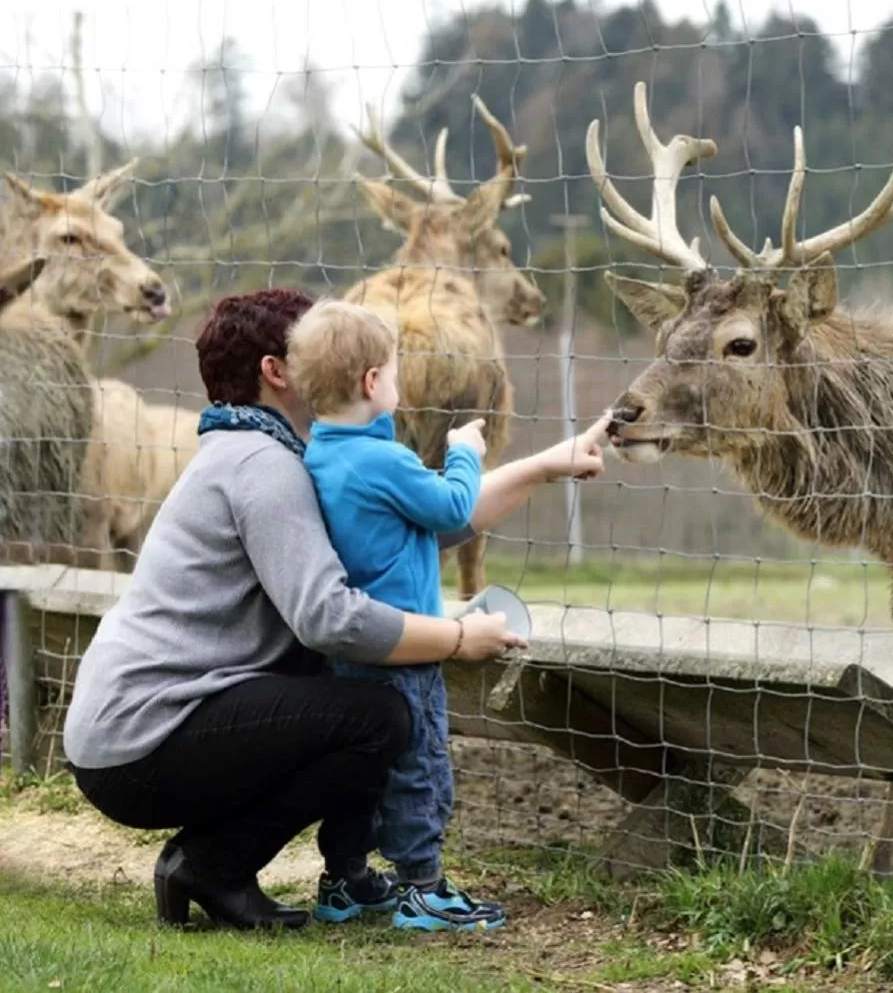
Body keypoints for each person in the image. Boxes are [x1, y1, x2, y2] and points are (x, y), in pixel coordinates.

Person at [59, 287, 603, 932]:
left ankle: (230, 863)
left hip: (143, 733)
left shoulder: (284, 454)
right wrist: (457, 639)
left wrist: (544, 466)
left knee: (356, 705)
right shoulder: (265, 467)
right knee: (378, 718)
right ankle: (214, 863)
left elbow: (419, 526)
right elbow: (332, 619)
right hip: (142, 744)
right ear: (277, 371)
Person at [284, 299, 610, 932]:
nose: (399, 382)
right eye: (396, 370)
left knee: (359, 771)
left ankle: (344, 880)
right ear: (371, 383)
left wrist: (541, 465)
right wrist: (464, 449)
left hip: (349, 657)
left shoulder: (320, 456)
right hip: (407, 651)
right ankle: (423, 888)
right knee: (420, 762)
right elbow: (453, 504)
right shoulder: (384, 460)